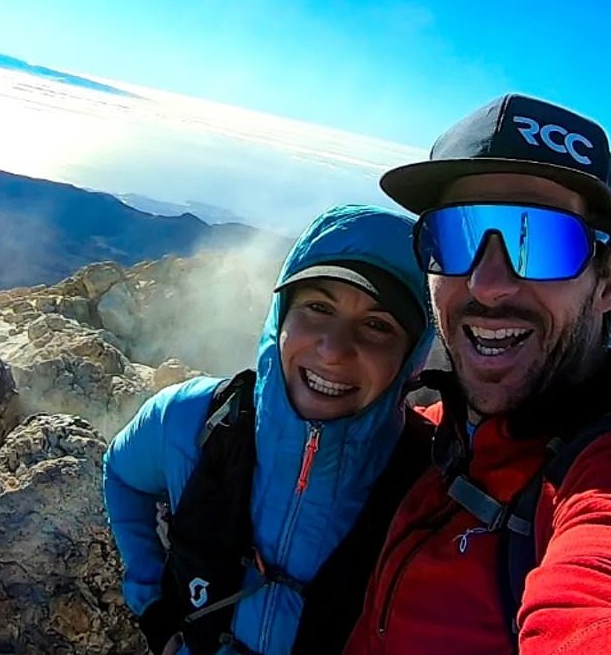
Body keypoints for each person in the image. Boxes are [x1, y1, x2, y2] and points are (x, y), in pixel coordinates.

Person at [345, 94, 611, 654]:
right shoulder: (433, 431)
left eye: (539, 240)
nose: (488, 284)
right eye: (456, 236)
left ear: (609, 281)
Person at [103, 203, 436, 655]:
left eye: (377, 325)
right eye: (318, 307)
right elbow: (122, 475)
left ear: (410, 359)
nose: (333, 349)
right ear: (280, 316)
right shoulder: (192, 418)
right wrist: (153, 604)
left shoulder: (430, 485)